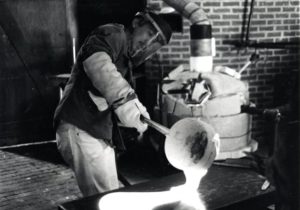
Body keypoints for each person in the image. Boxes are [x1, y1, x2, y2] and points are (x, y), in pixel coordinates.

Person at [53, 11, 172, 196]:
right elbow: (99, 66)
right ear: (136, 23)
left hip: (93, 130)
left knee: (109, 194)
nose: (148, 44)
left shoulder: (126, 62)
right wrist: (128, 104)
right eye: (149, 33)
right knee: (102, 200)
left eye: (155, 43)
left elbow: (110, 98)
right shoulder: (114, 34)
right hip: (80, 126)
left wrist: (136, 112)